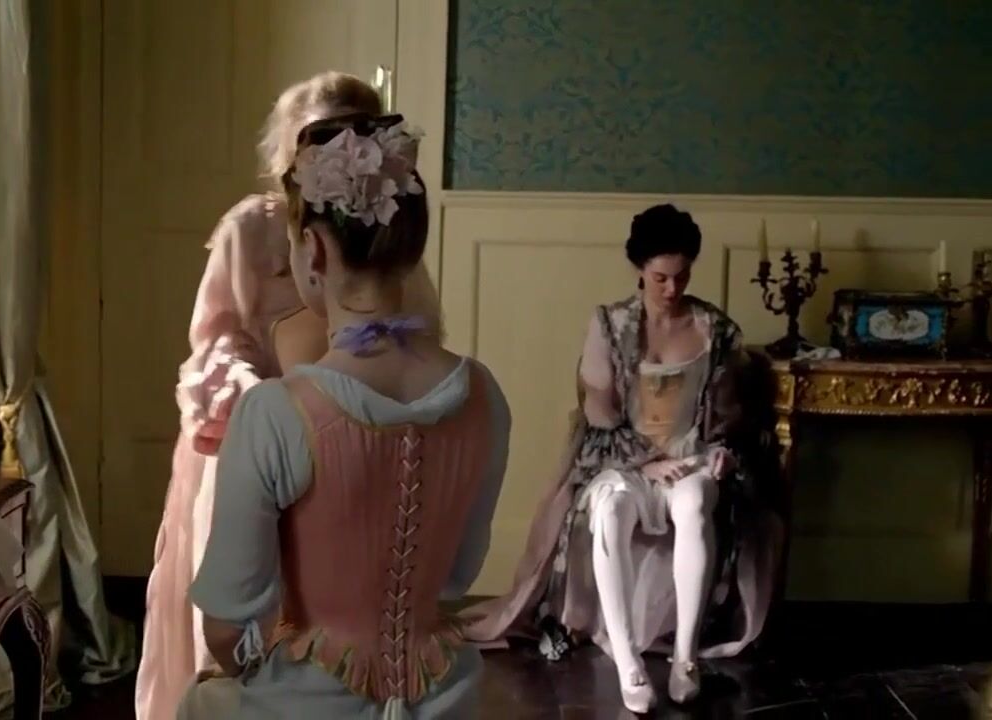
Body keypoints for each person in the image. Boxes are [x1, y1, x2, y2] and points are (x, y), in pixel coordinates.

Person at [175, 112, 511, 720]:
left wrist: (253, 663)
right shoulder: (484, 395)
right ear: (413, 245)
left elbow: (225, 626)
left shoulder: (276, 411)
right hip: (447, 696)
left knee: (202, 701)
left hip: (307, 701)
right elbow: (458, 574)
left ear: (314, 249)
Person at [134, 73, 442, 720]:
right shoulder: (251, 229)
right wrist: (258, 398)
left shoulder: (388, 239)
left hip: (351, 439)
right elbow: (216, 341)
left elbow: (417, 338)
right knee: (241, 579)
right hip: (258, 429)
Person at [462, 204, 782, 714]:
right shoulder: (610, 324)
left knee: (694, 503)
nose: (672, 288)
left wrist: (719, 454)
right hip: (623, 460)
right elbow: (599, 416)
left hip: (690, 459)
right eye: (661, 277)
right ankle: (629, 664)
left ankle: (684, 660)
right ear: (639, 268)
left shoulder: (716, 329)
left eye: (682, 276)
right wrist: (645, 463)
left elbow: (731, 417)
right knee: (610, 507)